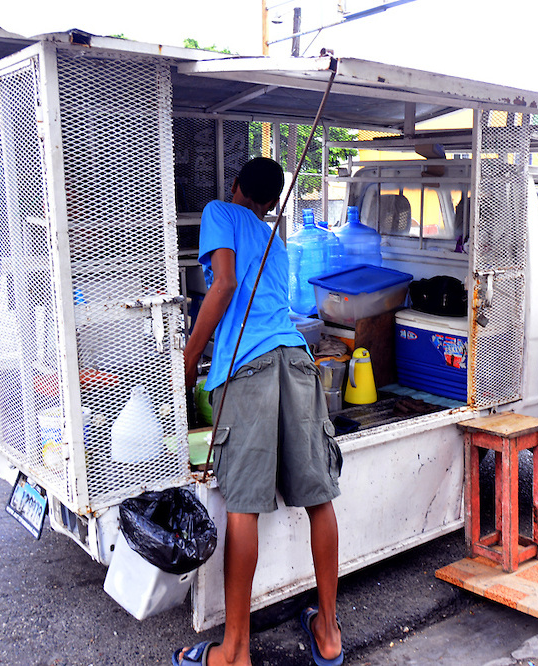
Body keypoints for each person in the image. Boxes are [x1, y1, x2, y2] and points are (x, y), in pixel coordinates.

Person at [175, 158, 344, 666]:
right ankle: (329, 632)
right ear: (270, 203)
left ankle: (234, 651)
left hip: (246, 369)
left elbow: (222, 284)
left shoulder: (219, 211)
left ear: (235, 187)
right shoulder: (276, 241)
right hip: (296, 361)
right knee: (319, 497)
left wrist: (188, 357)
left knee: (243, 505)